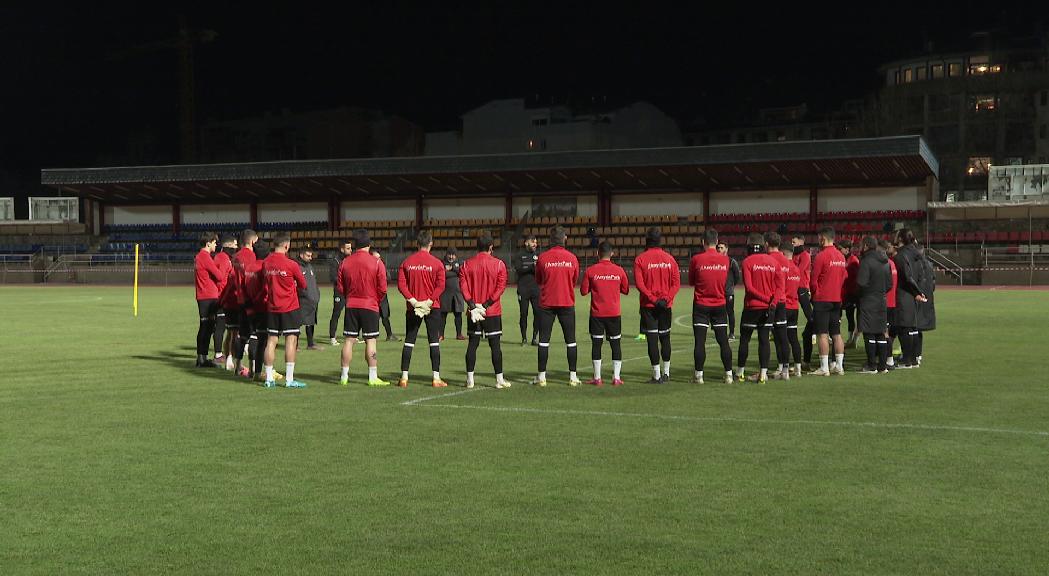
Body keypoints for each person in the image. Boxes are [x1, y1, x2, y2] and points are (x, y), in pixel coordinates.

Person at [337, 229, 390, 386]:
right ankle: (372, 376)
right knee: (371, 341)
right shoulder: (377, 262)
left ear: (354, 245)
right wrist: (375, 299)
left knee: (348, 340)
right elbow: (383, 288)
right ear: (369, 244)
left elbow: (340, 287)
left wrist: (350, 296)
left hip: (352, 305)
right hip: (370, 305)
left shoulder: (345, 262)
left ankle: (344, 376)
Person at [396, 230, 447, 388]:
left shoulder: (406, 262)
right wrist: (429, 301)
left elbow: (401, 285)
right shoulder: (437, 263)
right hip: (433, 307)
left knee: (409, 341)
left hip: (413, 308)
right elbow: (441, 286)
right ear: (431, 244)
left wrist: (413, 301)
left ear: (417, 244)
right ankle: (436, 378)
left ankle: (404, 378)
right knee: (433, 342)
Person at [461, 234, 511, 389]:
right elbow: (501, 287)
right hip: (492, 311)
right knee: (495, 346)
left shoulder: (466, 264)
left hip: (474, 312)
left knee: (472, 344)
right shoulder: (499, 264)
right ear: (490, 247)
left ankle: (470, 380)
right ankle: (499, 380)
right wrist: (487, 304)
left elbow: (463, 286)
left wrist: (472, 305)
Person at [533, 225, 581, 387]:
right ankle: (573, 377)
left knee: (544, 341)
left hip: (547, 304)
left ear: (550, 240)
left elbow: (539, 280)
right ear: (564, 239)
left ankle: (541, 377)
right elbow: (574, 280)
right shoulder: (572, 258)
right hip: (566, 302)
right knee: (571, 341)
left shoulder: (543, 258)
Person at [261, 233, 308, 388]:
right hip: (289, 307)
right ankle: (289, 379)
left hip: (272, 307)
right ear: (287, 246)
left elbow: (264, 282)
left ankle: (269, 378)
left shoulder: (266, 263)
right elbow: (303, 284)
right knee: (291, 341)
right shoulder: (291, 264)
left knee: (271, 341)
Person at [634, 227, 680, 383]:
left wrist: (653, 299)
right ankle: (666, 373)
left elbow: (640, 285)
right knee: (665, 338)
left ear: (647, 240)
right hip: (665, 306)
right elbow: (676, 284)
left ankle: (656, 375)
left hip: (649, 307)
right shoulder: (670, 259)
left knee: (652, 340)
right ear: (661, 240)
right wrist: (666, 299)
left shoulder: (640, 259)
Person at [580, 240, 629, 387]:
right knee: (616, 344)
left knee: (596, 344)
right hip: (614, 313)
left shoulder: (591, 270)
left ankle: (597, 378)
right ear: (612, 254)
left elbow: (583, 291)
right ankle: (616, 377)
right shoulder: (619, 270)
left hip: (597, 314)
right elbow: (626, 290)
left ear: (597, 254)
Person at [689, 230, 734, 385]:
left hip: (701, 304)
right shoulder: (725, 260)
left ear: (703, 242)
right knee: (723, 341)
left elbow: (691, 281)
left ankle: (699, 376)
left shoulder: (696, 259)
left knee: (699, 342)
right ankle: (729, 375)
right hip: (720, 304)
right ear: (716, 241)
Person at [736, 232, 778, 384]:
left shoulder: (747, 262)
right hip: (768, 308)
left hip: (752, 307)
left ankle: (740, 373)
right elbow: (780, 287)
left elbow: (749, 287)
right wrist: (772, 303)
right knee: (764, 340)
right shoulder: (773, 262)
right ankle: (763, 375)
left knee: (744, 340)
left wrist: (765, 299)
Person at [809, 227, 848, 376]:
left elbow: (813, 280)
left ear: (823, 239)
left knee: (822, 334)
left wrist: (815, 294)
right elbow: (844, 276)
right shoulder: (841, 256)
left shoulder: (821, 256)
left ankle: (824, 367)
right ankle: (839, 366)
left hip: (822, 299)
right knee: (836, 334)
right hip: (836, 298)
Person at [892, 228, 929, 369]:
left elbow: (907, 277)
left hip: (904, 293)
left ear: (900, 238)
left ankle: (906, 360)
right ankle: (913, 359)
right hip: (914, 295)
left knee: (904, 328)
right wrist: (919, 292)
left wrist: (916, 292)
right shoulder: (917, 254)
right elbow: (922, 275)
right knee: (912, 327)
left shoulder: (901, 256)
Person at [856, 236, 892, 374]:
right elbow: (889, 284)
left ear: (865, 246)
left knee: (869, 333)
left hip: (868, 300)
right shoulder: (885, 261)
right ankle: (882, 366)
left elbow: (861, 283)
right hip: (881, 300)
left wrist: (860, 295)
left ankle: (871, 365)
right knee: (881, 333)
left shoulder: (866, 261)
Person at [230, 229, 258, 377]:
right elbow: (251, 277)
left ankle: (238, 366)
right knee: (254, 334)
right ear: (253, 241)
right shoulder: (250, 256)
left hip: (239, 299)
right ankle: (253, 369)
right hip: (249, 299)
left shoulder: (236, 256)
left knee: (242, 334)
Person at [194, 232, 223, 368]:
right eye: (214, 242)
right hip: (209, 296)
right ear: (208, 243)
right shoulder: (205, 257)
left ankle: (201, 357)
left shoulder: (199, 257)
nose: (216, 245)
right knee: (208, 327)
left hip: (202, 295)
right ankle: (203, 358)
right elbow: (219, 276)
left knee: (204, 327)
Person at [765, 232, 791, 381]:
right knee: (783, 336)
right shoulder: (785, 260)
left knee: (768, 336)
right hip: (783, 300)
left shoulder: (768, 259)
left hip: (770, 301)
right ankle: (784, 369)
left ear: (767, 244)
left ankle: (768, 368)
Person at [216, 234, 241, 370]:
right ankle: (227, 357)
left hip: (228, 299)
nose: (236, 248)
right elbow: (221, 280)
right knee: (231, 331)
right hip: (227, 299)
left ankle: (228, 357)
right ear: (229, 245)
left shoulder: (227, 258)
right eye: (235, 245)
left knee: (231, 331)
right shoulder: (222, 259)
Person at [790, 233, 814, 368]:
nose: (792, 244)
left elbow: (799, 271)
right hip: (793, 287)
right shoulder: (794, 256)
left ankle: (815, 332)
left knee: (808, 313)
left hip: (802, 287)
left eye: (794, 242)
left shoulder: (805, 255)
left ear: (801, 242)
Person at [515, 234, 541, 346]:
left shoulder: (538, 255)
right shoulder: (519, 255)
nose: (535, 244)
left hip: (536, 289)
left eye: (536, 242)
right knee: (523, 314)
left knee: (538, 313)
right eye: (533, 242)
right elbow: (519, 269)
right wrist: (532, 267)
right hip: (523, 289)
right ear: (526, 243)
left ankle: (535, 338)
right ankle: (524, 338)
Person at [783, 251, 804, 378]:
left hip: (784, 306)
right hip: (794, 307)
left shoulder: (784, 268)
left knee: (782, 339)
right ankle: (798, 368)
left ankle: (783, 367)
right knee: (794, 338)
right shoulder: (796, 269)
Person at [296, 245, 321, 350]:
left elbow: (313, 283)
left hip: (312, 300)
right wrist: (303, 294)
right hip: (302, 300)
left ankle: (310, 344)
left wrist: (316, 294)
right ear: (301, 255)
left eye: (311, 256)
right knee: (297, 323)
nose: (310, 258)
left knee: (310, 322)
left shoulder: (310, 266)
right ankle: (295, 345)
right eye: (308, 255)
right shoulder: (297, 266)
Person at [328, 239, 353, 345]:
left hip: (350, 292)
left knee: (351, 314)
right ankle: (332, 337)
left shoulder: (351, 259)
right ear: (342, 249)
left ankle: (351, 335)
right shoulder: (335, 261)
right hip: (339, 292)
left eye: (351, 248)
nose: (350, 250)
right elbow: (333, 277)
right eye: (348, 248)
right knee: (336, 313)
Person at [371, 249, 399, 342]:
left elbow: (388, 278)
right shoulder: (369, 267)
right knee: (374, 316)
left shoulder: (381, 266)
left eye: (379, 258)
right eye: (376, 258)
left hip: (382, 295)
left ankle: (389, 335)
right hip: (373, 295)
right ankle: (371, 336)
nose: (378, 260)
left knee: (385, 315)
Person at [879, 239, 899, 370]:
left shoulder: (884, 264)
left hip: (885, 302)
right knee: (888, 333)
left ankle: (889, 360)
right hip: (893, 303)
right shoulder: (892, 263)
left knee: (884, 333)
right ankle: (887, 358)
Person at [916, 243, 937, 365]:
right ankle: (917, 354)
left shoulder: (917, 264)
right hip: (927, 299)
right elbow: (933, 284)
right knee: (918, 329)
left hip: (917, 298)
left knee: (912, 328)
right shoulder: (929, 264)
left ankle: (911, 355)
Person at [440, 248, 466, 341]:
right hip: (445, 293)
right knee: (443, 315)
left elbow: (462, 272)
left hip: (457, 293)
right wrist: (455, 271)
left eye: (453, 255)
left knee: (458, 315)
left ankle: (459, 334)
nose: (451, 257)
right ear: (446, 254)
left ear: (456, 255)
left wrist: (451, 269)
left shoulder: (460, 262)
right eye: (449, 254)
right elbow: (442, 274)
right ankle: (441, 335)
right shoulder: (441, 263)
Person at [839, 238, 861, 348]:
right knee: (846, 315)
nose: (839, 250)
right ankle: (848, 339)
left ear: (847, 249)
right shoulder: (844, 259)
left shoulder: (854, 260)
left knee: (852, 316)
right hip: (844, 292)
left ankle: (853, 340)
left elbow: (856, 278)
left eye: (841, 249)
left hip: (852, 293)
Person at [717, 242, 742, 340]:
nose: (719, 249)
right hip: (718, 292)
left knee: (729, 313)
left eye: (721, 248)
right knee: (719, 313)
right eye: (718, 247)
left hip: (728, 293)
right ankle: (721, 332)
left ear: (726, 249)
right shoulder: (715, 261)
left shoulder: (731, 262)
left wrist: (730, 286)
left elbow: (737, 276)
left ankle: (731, 333)